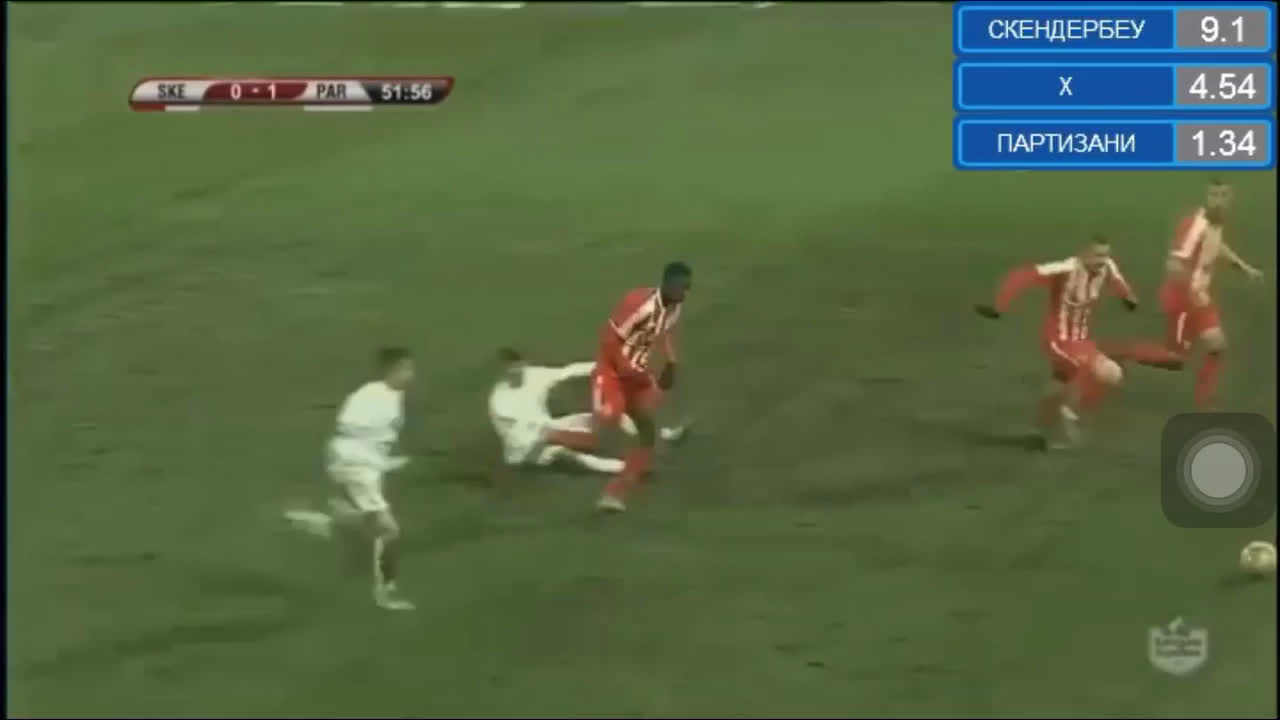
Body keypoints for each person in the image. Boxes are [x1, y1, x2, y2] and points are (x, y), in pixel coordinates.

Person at [549, 262, 692, 511]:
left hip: (636, 376)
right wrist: (626, 369)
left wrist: (671, 360)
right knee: (604, 430)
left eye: (688, 288)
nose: (685, 293)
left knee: (647, 433)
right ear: (667, 284)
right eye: (681, 287)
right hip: (612, 371)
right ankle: (547, 437)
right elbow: (610, 339)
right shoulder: (639, 304)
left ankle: (614, 494)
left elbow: (664, 332)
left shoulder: (674, 309)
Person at [285, 347, 416, 611]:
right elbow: (347, 426)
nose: (410, 374)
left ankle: (321, 520)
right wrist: (376, 460)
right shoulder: (370, 395)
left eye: (410, 369)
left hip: (365, 464)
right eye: (405, 369)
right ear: (391, 370)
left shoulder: (394, 395)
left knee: (369, 522)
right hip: (355, 463)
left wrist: (384, 460)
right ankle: (385, 593)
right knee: (389, 530)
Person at [1114, 179, 1263, 407]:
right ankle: (1123, 354)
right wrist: (1192, 292)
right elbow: (1174, 264)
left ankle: (1205, 401)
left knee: (1217, 346)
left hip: (1199, 298)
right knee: (1175, 358)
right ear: (1206, 197)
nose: (1218, 201)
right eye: (1214, 195)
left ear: (1230, 198)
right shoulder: (1195, 224)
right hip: (1182, 299)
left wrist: (1245, 268)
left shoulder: (1216, 222)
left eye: (1223, 196)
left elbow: (1216, 245)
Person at [976, 236, 1136, 447]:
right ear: (1084, 254)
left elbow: (1117, 280)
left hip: (1081, 341)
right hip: (1057, 339)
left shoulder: (1107, 266)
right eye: (1097, 255)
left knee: (1080, 380)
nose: (1102, 260)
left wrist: (1128, 297)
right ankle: (1068, 412)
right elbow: (1022, 275)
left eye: (1105, 255)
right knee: (1089, 370)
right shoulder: (1064, 269)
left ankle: (1037, 431)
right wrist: (999, 305)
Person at [488, 348, 687, 474]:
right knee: (567, 454)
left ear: (523, 364)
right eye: (509, 370)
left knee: (603, 417)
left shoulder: (534, 375)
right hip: (524, 449)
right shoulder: (500, 401)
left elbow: (567, 371)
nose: (515, 373)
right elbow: (523, 435)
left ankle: (663, 435)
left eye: (517, 367)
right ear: (503, 374)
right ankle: (626, 468)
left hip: (546, 427)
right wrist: (566, 436)